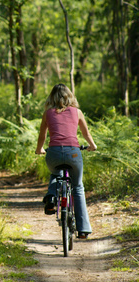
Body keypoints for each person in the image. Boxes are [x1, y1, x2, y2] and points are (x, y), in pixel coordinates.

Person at [35, 83, 97, 239]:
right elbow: (86, 134)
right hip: (73, 153)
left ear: (52, 98)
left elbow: (42, 136)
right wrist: (92, 145)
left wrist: (39, 149)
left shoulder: (47, 113)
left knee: (55, 174)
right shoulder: (77, 112)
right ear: (70, 96)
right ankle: (83, 229)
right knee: (77, 187)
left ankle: (51, 197)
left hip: (54, 153)